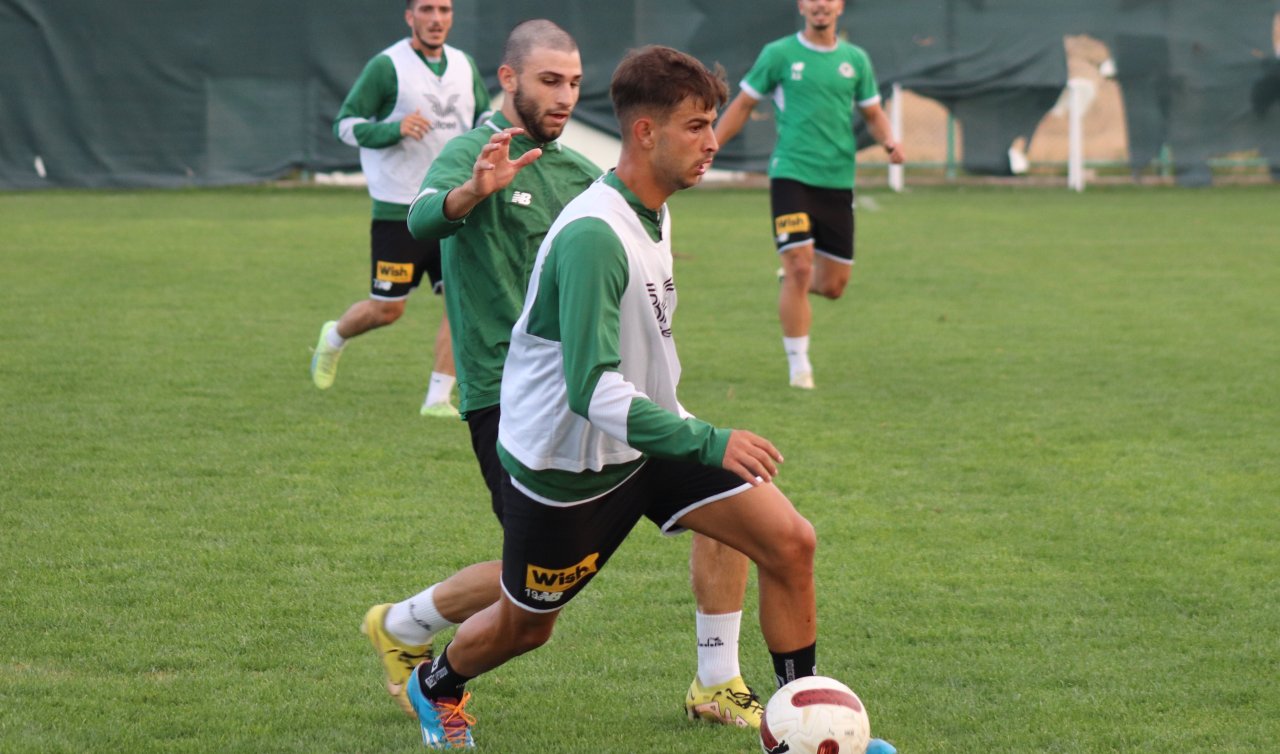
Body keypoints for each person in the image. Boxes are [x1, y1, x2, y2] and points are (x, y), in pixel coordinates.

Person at [400, 43, 863, 751]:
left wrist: (688, 429)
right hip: (567, 466)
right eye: (696, 126)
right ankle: (435, 683)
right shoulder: (594, 234)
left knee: (790, 542)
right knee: (528, 626)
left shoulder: (652, 206)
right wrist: (711, 440)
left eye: (712, 124)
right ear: (645, 132)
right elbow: (590, 390)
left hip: (646, 437)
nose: (713, 141)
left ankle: (802, 720)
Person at [359, 21, 763, 733]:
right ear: (508, 80)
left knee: (727, 499)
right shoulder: (474, 152)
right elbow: (422, 219)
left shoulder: (580, 174)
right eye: (549, 80)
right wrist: (468, 194)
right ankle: (403, 624)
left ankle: (718, 678)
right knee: (531, 589)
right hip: (509, 402)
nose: (565, 96)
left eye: (575, 82)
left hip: (603, 395)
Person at [310, 0, 491, 417]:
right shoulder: (387, 66)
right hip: (399, 210)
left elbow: (483, 116)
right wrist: (395, 128)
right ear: (410, 16)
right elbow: (345, 125)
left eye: (444, 9)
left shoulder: (463, 65)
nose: (436, 18)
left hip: (451, 202)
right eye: (426, 9)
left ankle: (437, 398)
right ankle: (334, 337)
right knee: (388, 309)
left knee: (461, 303)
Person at [714, 0, 905, 390]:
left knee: (833, 287)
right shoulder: (779, 54)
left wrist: (889, 140)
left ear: (840, 6)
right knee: (802, 266)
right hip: (791, 175)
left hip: (837, 180)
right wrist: (711, 144)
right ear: (802, 5)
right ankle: (799, 366)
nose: (821, 5)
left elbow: (872, 113)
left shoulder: (856, 60)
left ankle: (792, 278)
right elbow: (745, 103)